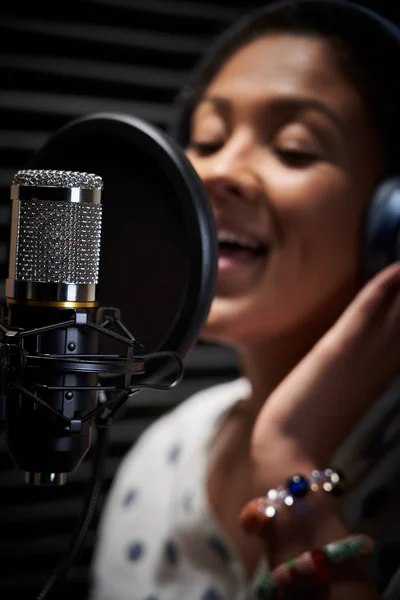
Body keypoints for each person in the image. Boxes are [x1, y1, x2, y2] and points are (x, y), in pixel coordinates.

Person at [90, 1, 400, 598]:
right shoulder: (165, 455)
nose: (213, 171)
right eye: (207, 139)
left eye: (294, 148)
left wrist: (290, 462)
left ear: (390, 216)